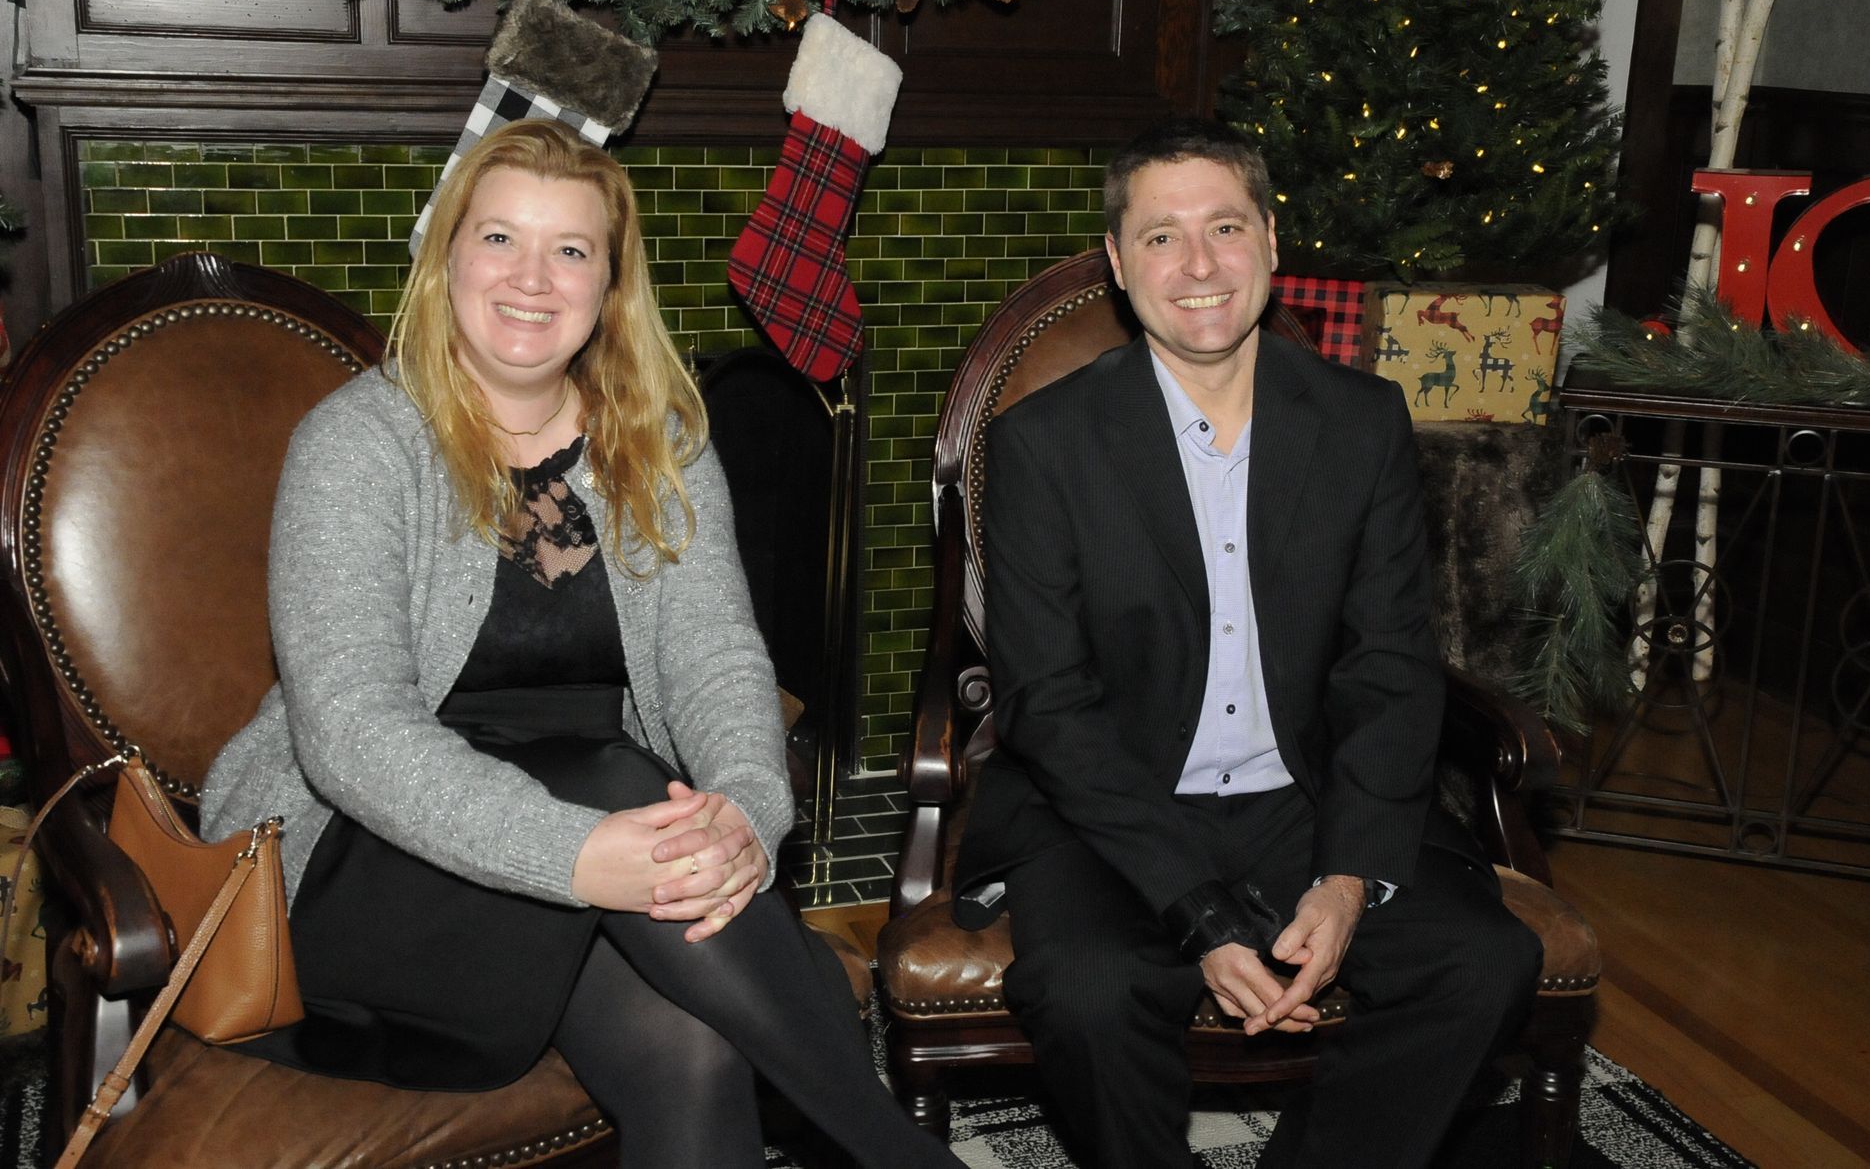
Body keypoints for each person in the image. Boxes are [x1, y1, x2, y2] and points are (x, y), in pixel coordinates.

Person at [201, 118, 959, 1169]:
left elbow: (717, 656)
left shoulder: (661, 440)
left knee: (695, 1046)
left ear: (609, 285)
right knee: (612, 777)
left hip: (603, 855)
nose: (532, 278)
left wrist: (747, 808)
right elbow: (350, 733)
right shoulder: (358, 443)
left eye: (570, 249)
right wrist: (578, 851)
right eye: (499, 238)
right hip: (364, 867)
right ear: (447, 260)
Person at [950, 117, 1544, 1168]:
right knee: (1088, 990)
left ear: (1270, 241)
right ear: (1119, 264)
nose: (1200, 265)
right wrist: (1202, 915)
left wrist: (1348, 877)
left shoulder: (1361, 422)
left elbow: (1389, 665)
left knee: (1483, 962)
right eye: (1162, 236)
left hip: (1303, 798)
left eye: (1225, 227)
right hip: (1111, 809)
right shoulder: (1043, 444)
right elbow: (1048, 704)